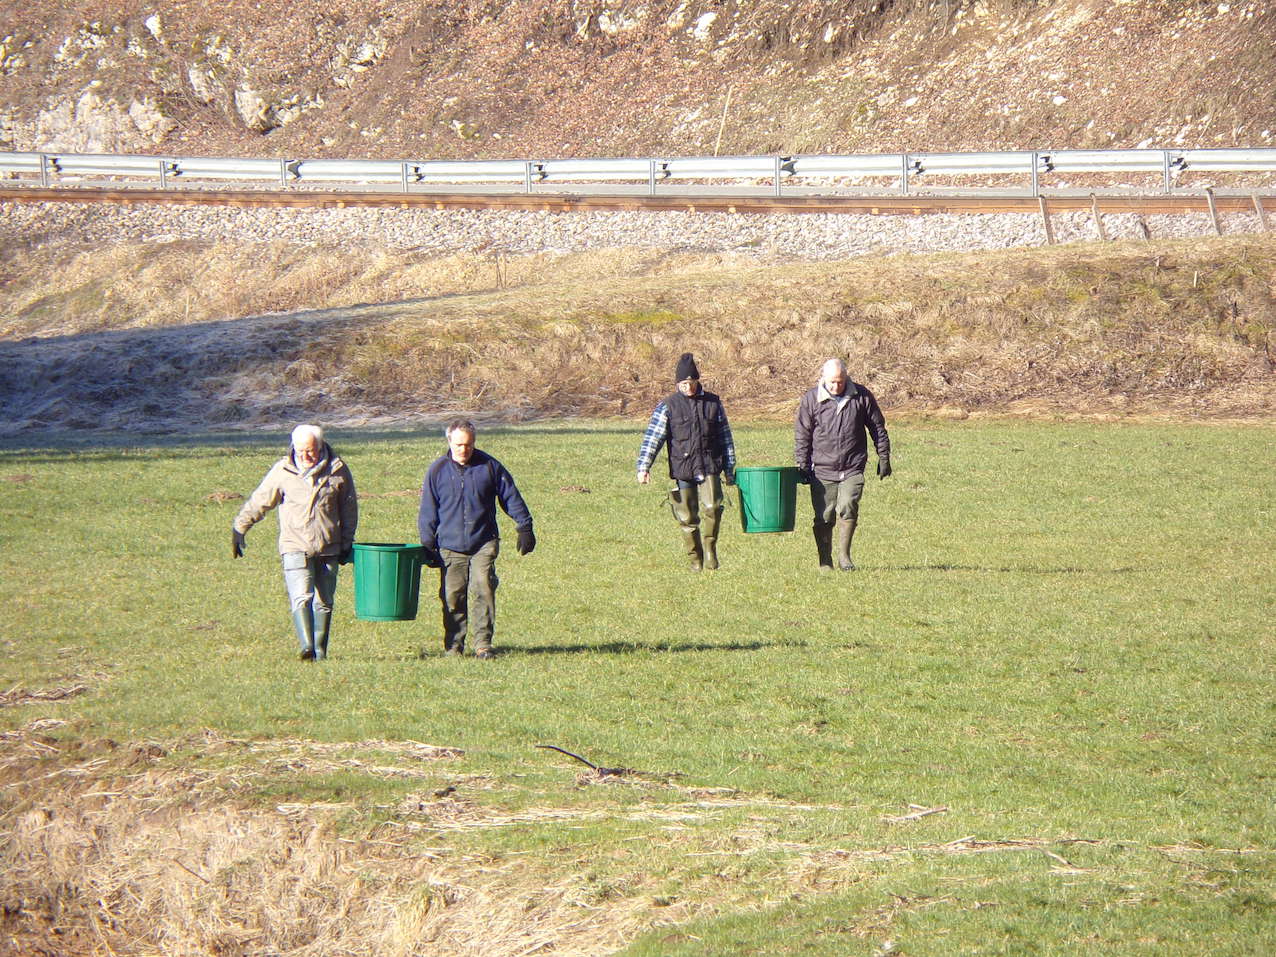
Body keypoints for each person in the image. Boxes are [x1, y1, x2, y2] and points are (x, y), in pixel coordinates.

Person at [233, 424, 358, 660]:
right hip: (294, 546)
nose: (305, 456)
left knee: (324, 601)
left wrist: (346, 542)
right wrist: (240, 528)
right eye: (300, 451)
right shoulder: (283, 470)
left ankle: (320, 652)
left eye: (310, 451)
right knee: (301, 596)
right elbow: (261, 500)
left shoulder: (338, 469)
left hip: (329, 547)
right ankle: (307, 647)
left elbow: (349, 509)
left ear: (320, 446)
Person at [417, 420, 535, 659]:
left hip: (484, 541)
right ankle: (454, 646)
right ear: (449, 442)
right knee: (452, 596)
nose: (464, 449)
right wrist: (428, 544)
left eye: (469, 445)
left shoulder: (490, 466)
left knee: (484, 588)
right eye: (459, 445)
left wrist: (524, 526)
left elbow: (510, 496)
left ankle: (483, 645)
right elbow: (428, 510)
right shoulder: (437, 470)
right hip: (449, 546)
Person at [636, 352, 737, 571]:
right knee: (688, 517)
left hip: (710, 464)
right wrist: (644, 467)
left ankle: (710, 549)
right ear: (677, 384)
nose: (688, 387)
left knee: (713, 507)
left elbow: (726, 437)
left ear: (697, 381)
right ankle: (695, 559)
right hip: (683, 467)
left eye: (691, 383)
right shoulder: (668, 406)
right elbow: (653, 439)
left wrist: (729, 468)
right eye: (683, 384)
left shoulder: (713, 403)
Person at [794, 358, 891, 571]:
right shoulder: (811, 399)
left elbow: (877, 427)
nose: (836, 386)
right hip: (822, 469)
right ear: (823, 378)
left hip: (853, 466)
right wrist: (803, 464)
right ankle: (825, 561)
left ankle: (844, 557)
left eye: (840, 381)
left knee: (848, 505)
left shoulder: (862, 396)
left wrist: (884, 456)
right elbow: (803, 434)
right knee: (824, 516)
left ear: (846, 377)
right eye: (832, 382)